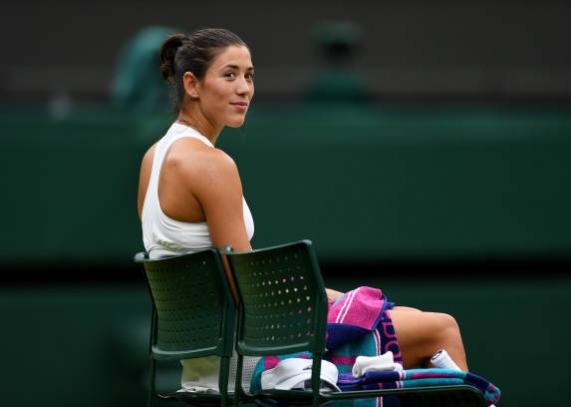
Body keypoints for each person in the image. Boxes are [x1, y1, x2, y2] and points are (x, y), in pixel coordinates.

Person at [137, 28, 469, 391]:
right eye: (229, 75)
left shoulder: (153, 157)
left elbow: (227, 277)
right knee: (440, 328)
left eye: (249, 76)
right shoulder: (211, 163)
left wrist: (329, 297)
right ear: (192, 84)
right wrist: (332, 300)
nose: (244, 88)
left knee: (399, 316)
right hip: (252, 359)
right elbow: (245, 286)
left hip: (201, 363)